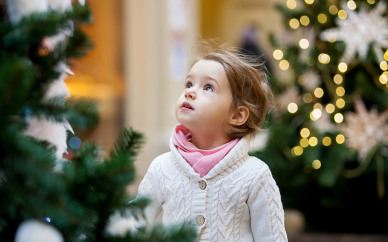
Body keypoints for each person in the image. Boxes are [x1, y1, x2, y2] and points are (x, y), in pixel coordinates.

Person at [135, 41, 287, 242]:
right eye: (189, 84)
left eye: (208, 87)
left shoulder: (255, 175)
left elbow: (272, 238)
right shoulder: (162, 169)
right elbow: (133, 225)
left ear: (237, 115)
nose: (190, 92)